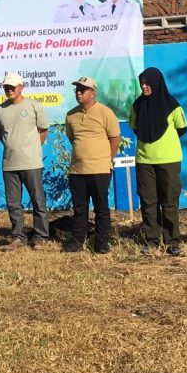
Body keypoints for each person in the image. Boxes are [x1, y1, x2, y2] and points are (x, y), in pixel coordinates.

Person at [130, 67, 187, 256]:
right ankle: (152, 240)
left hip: (169, 160)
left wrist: (164, 144)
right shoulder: (137, 106)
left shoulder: (173, 106)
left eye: (148, 83)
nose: (144, 86)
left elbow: (182, 128)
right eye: (142, 83)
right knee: (148, 201)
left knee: (169, 200)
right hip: (144, 160)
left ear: (157, 83)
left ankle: (172, 241)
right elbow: (135, 127)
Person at [64, 76, 121, 254]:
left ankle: (102, 242)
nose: (79, 93)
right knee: (79, 208)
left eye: (83, 90)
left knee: (101, 208)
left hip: (100, 169)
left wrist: (107, 159)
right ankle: (77, 241)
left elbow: (115, 138)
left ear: (93, 93)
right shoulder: (71, 115)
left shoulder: (105, 112)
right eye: (77, 90)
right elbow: (72, 138)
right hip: (77, 170)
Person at [0, 72, 51, 249]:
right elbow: (0, 135)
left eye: (12, 87)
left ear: (21, 87)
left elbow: (44, 129)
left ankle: (41, 236)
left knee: (38, 200)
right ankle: (17, 236)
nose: (9, 90)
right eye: (6, 87)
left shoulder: (34, 105)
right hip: (9, 164)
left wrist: (32, 149)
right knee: (13, 203)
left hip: (31, 163)